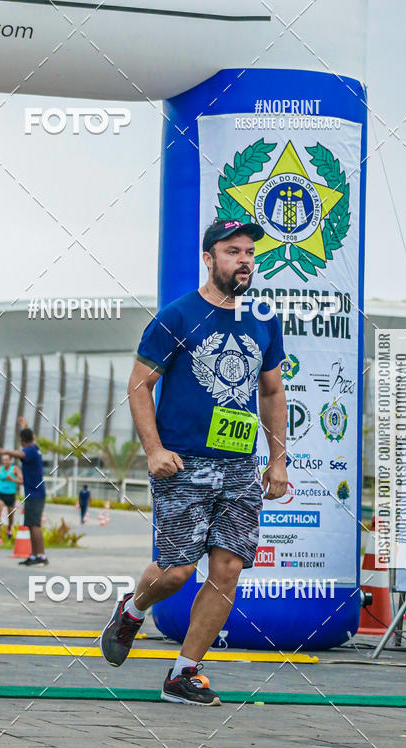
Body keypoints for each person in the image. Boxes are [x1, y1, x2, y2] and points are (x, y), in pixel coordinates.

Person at [101, 219, 288, 705]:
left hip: (239, 465)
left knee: (227, 569)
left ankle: (184, 673)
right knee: (179, 570)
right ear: (209, 259)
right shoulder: (177, 317)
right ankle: (133, 608)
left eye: (250, 252)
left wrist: (277, 461)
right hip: (183, 464)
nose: (244, 260)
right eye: (232, 251)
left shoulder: (264, 319)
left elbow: (271, 391)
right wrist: (154, 450)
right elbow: (139, 385)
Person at [0, 424, 48, 566]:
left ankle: (41, 556)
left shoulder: (30, 451)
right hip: (34, 493)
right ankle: (34, 555)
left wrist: (5, 451)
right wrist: (25, 425)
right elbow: (31, 441)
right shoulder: (35, 448)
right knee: (31, 525)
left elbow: (21, 455)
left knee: (35, 525)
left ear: (22, 440)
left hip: (35, 495)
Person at [0, 452, 22, 544]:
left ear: (10, 460)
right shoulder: (0, 469)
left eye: (6, 460)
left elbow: (22, 481)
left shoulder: (15, 469)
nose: (4, 462)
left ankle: (9, 528)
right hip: (0, 494)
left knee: (10, 516)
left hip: (10, 495)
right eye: (3, 460)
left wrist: (12, 479)